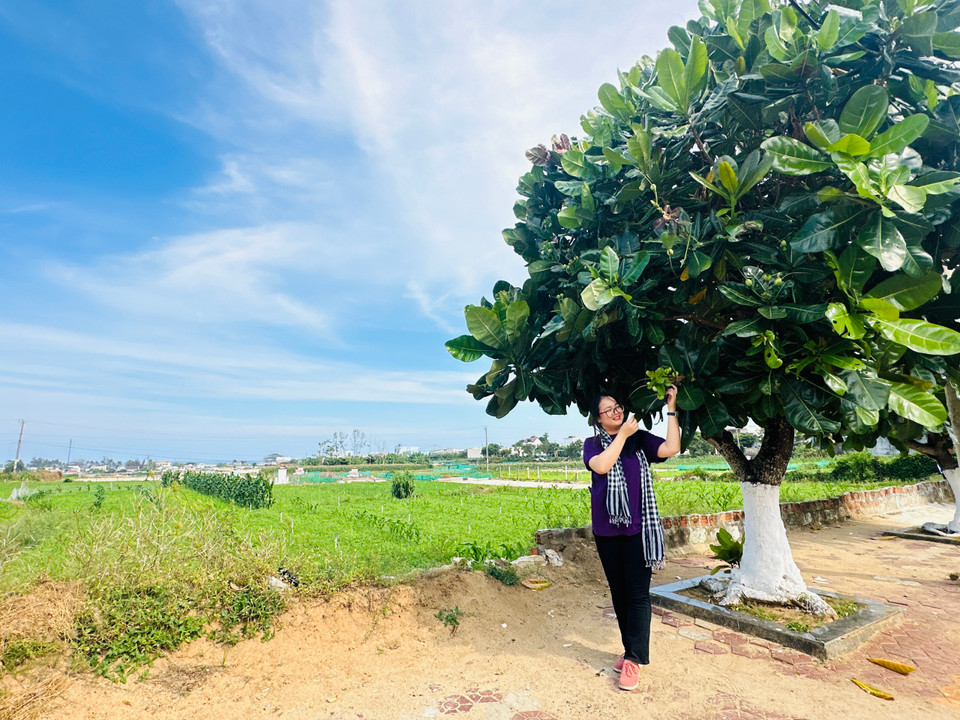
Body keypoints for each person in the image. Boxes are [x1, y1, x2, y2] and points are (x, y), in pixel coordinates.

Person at [582, 389, 680, 691]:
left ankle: (635, 660)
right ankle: (629, 651)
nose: (615, 412)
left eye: (618, 407)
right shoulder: (592, 445)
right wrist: (621, 436)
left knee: (638, 595)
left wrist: (671, 408)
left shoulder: (640, 440)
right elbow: (601, 466)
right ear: (598, 419)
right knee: (619, 593)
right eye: (608, 410)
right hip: (606, 532)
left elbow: (671, 447)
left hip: (638, 530)